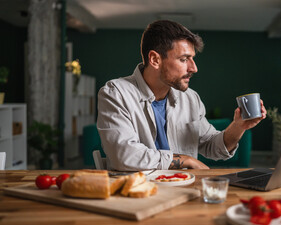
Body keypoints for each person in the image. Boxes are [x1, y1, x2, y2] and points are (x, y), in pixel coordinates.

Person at [97, 20, 266, 171]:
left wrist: (238, 126)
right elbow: (125, 156)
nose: (194, 68)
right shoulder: (115, 93)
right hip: (136, 194)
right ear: (155, 59)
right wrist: (186, 160)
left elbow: (212, 147)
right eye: (184, 59)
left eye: (192, 59)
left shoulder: (191, 98)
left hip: (184, 190)